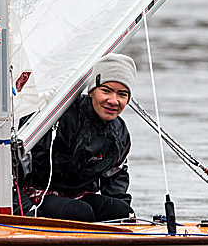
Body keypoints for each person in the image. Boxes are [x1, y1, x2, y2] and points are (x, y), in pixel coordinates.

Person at [14, 53, 137, 223]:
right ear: (92, 90)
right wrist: (22, 211)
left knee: (121, 211)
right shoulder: (54, 117)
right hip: (38, 196)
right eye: (106, 91)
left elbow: (116, 178)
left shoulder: (119, 133)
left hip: (80, 197)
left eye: (122, 94)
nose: (113, 101)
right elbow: (2, 171)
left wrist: (124, 222)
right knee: (80, 213)